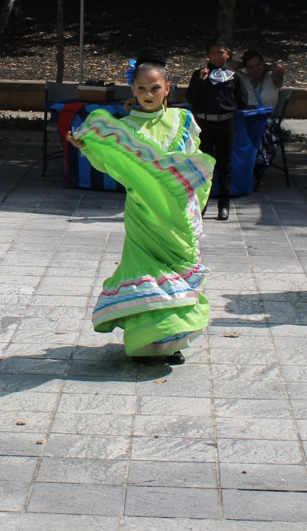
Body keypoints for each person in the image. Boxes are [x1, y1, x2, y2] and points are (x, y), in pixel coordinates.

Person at [69, 51, 215, 364]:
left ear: (168, 88)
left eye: (155, 88)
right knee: (147, 272)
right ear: (132, 91)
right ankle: (144, 342)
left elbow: (194, 165)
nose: (149, 95)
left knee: (176, 271)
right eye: (142, 89)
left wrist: (192, 201)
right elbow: (110, 162)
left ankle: (170, 341)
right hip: (143, 215)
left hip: (177, 215)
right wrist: (88, 146)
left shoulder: (183, 120)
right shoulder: (124, 129)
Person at [187, 37, 246, 220]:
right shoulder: (199, 75)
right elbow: (191, 99)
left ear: (228, 54)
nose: (216, 56)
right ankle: (202, 204)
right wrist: (202, 82)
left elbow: (242, 102)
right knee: (203, 163)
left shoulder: (234, 77)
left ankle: (224, 204)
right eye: (212, 53)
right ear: (207, 55)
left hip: (225, 124)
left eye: (220, 52)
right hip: (204, 124)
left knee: (224, 164)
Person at [238, 49, 286, 186]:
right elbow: (228, 66)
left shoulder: (272, 78)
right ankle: (247, 165)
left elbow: (279, 68)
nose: (255, 69)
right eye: (251, 67)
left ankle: (258, 164)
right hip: (247, 118)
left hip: (266, 119)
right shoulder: (244, 78)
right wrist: (243, 66)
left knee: (261, 129)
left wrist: (266, 66)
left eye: (258, 65)